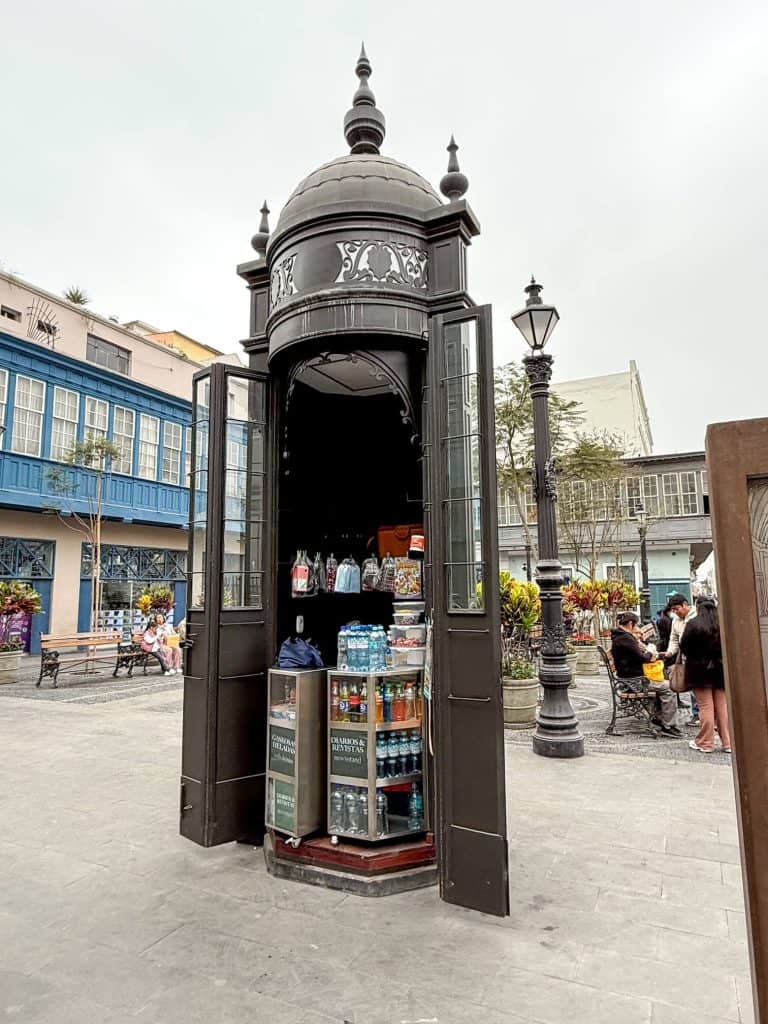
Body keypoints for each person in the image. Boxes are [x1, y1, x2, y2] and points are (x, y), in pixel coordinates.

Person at [610, 611, 682, 736]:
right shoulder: (626, 638)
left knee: (664, 683)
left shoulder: (620, 636)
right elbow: (643, 658)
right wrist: (650, 650)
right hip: (634, 682)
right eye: (637, 625)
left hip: (628, 679)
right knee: (669, 688)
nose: (638, 628)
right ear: (631, 624)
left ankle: (659, 717)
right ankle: (668, 725)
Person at [679, 599, 731, 753]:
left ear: (698, 608)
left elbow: (684, 646)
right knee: (722, 707)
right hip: (720, 669)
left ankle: (706, 742)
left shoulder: (694, 624)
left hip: (699, 670)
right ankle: (728, 743)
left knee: (705, 707)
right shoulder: (723, 623)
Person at [665, 593, 700, 725]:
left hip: (699, 656)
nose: (675, 612)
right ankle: (696, 713)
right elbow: (673, 639)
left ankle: (705, 714)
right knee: (690, 684)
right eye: (673, 610)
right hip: (685, 656)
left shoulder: (696, 616)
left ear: (685, 605)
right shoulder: (676, 621)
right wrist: (670, 652)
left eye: (677, 609)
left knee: (699, 686)